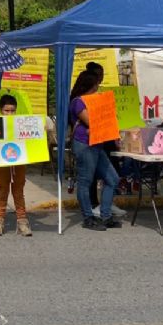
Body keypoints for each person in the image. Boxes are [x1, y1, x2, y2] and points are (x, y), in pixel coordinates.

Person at [69, 70, 121, 231]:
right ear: (90, 86)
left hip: (96, 144)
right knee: (85, 181)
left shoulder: (92, 100)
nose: (98, 88)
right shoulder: (78, 102)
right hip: (85, 145)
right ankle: (88, 217)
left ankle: (105, 215)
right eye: (96, 85)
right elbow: (92, 121)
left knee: (112, 179)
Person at [83, 61, 127, 218]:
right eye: (98, 75)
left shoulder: (101, 94)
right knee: (92, 176)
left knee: (111, 174)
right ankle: (94, 205)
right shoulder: (82, 99)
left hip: (106, 139)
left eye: (102, 74)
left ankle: (106, 204)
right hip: (92, 141)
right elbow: (92, 121)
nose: (100, 78)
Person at [0, 95, 32, 236]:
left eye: (12, 111)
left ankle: (22, 221)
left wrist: (42, 127)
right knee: (2, 189)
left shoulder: (21, 123)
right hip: (2, 161)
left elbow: (33, 135)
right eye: (6, 110)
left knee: (18, 189)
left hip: (18, 159)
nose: (10, 114)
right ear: (0, 110)